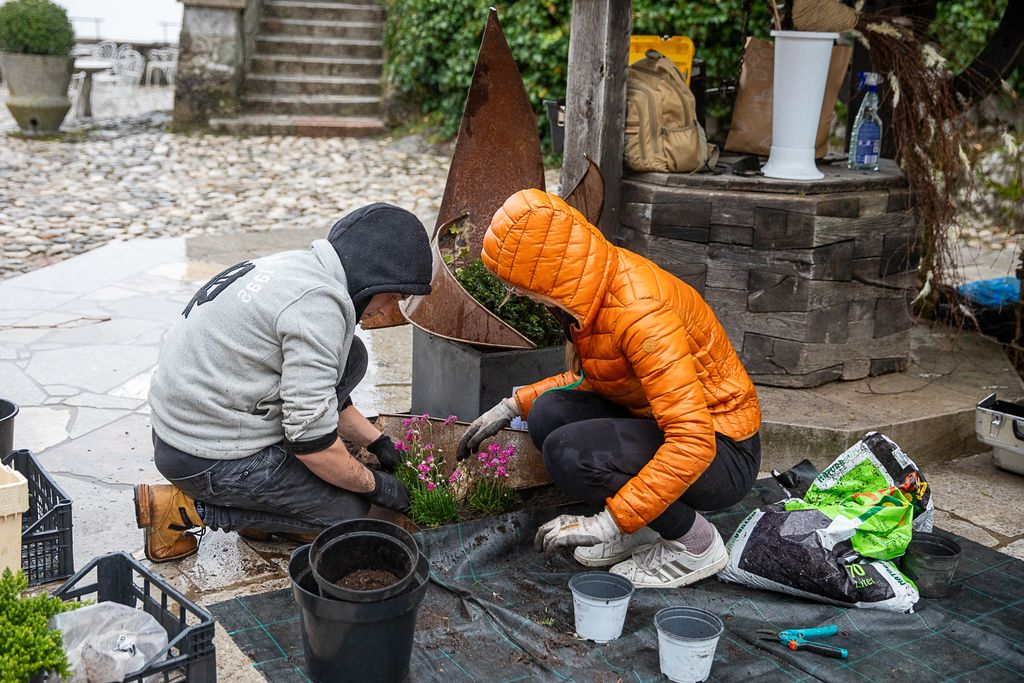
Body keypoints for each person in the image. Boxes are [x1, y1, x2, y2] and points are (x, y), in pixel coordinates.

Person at [456, 189, 762, 588]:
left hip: (724, 450)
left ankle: (695, 544)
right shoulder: (597, 288)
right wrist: (514, 404)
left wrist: (607, 522)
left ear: (547, 276)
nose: (518, 297)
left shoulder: (639, 314)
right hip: (662, 422)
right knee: (547, 413)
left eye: (518, 288)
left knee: (571, 453)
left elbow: (693, 440)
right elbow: (598, 378)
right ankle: (645, 525)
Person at [134, 203, 432, 562]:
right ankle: (185, 509)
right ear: (373, 278)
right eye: (394, 296)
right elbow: (311, 444)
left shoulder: (300, 267)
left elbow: (318, 393)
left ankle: (261, 510)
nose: (387, 311)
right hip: (202, 455)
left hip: (196, 421)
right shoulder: (317, 307)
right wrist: (377, 486)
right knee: (347, 515)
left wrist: (379, 442)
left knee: (351, 355)